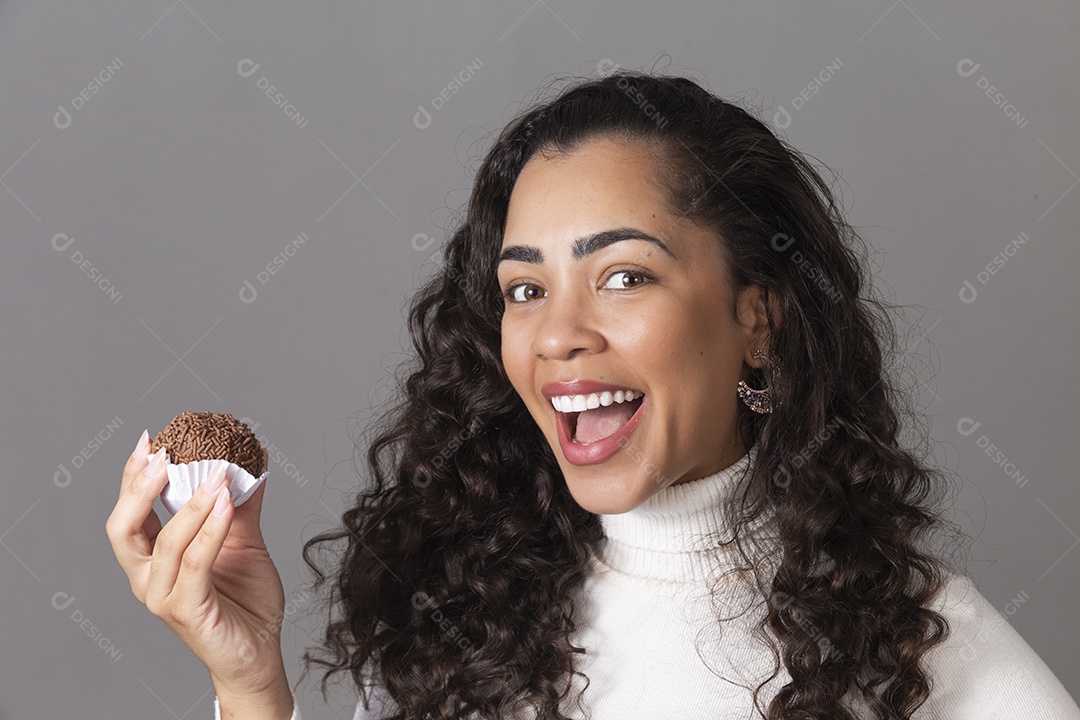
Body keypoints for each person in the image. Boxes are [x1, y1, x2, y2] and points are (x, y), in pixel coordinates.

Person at [107, 70, 1080, 720]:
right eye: (525, 289)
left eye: (622, 276)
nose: (560, 334)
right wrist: (249, 683)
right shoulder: (461, 632)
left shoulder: (929, 661)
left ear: (759, 316)